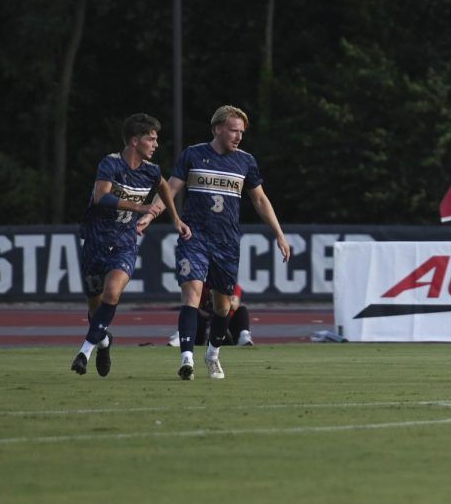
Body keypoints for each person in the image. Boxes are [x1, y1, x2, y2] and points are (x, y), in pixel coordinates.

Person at [145, 105, 290, 381]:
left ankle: (212, 355)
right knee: (191, 293)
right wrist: (150, 215)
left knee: (223, 307)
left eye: (242, 132)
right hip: (194, 236)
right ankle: (187, 359)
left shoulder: (246, 161)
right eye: (234, 130)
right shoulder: (193, 154)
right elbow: (171, 189)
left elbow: (260, 200)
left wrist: (279, 234)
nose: (239, 136)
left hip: (226, 243)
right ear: (218, 129)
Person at [72, 113, 190, 377]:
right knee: (95, 308)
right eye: (151, 139)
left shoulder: (151, 170)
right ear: (135, 141)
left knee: (112, 293)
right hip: (95, 241)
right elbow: (101, 196)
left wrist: (175, 218)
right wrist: (140, 207)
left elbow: (164, 188)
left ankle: (84, 353)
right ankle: (104, 341)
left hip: (124, 242)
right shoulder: (111, 164)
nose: (156, 144)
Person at [168, 282, 254, 347]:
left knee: (242, 310)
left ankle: (243, 337)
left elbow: (235, 305)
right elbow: (195, 306)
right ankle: (182, 336)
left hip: (226, 322)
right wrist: (209, 314)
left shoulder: (232, 285)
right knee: (190, 310)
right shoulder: (200, 286)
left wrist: (221, 301)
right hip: (205, 321)